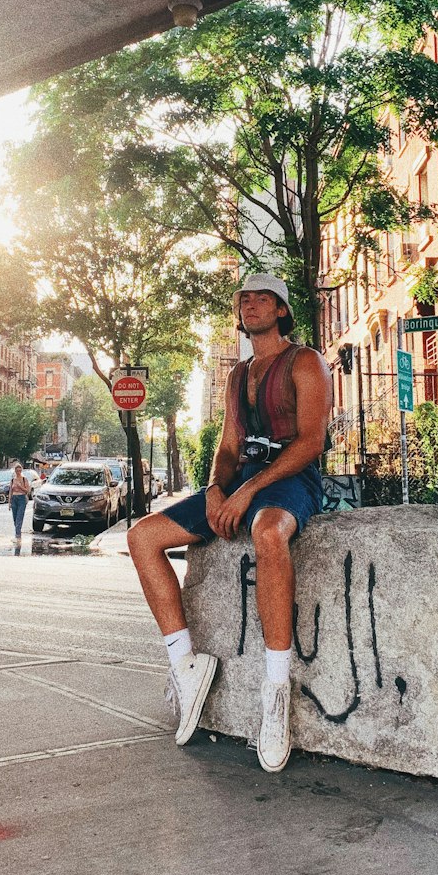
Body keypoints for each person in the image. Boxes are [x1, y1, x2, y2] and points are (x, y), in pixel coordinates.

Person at [128, 271, 332, 773]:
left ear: (282, 310)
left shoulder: (306, 362)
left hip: (290, 480)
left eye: (264, 298)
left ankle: (276, 690)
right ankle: (185, 666)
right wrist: (219, 489)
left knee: (267, 533)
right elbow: (227, 448)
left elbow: (311, 442)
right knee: (143, 536)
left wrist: (246, 492)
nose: (253, 305)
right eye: (246, 299)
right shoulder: (238, 375)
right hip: (241, 481)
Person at [8, 462, 31, 544]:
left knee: (19, 518)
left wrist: (20, 486)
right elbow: (11, 491)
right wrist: (9, 502)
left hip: (21, 499)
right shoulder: (12, 480)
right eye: (17, 471)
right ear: (15, 471)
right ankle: (18, 533)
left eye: (20, 471)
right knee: (15, 518)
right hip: (14, 499)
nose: (18, 472)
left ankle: (17, 536)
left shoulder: (24, 479)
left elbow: (27, 490)